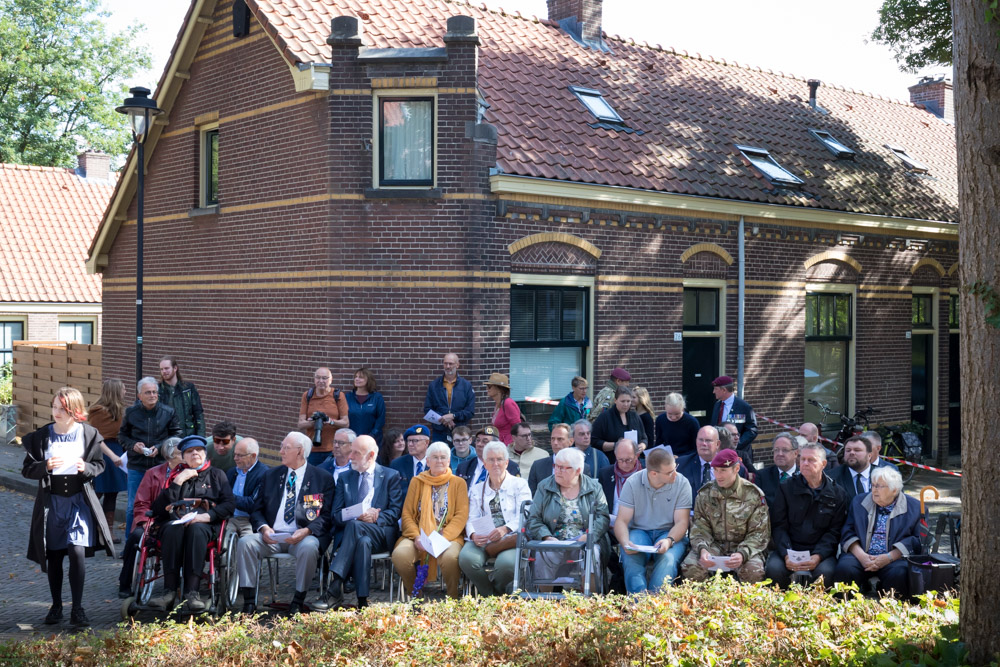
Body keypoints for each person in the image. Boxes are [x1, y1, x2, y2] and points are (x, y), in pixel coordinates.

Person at [22, 387, 115, 628]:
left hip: (79, 501)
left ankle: (78, 608)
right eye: (54, 407)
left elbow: (99, 465)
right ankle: (56, 606)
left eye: (62, 408)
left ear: (74, 410)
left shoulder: (88, 434)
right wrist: (45, 466)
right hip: (52, 503)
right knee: (54, 556)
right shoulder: (42, 436)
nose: (57, 412)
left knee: (77, 551)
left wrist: (85, 467)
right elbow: (27, 469)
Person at [236, 432, 334, 615]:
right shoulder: (271, 476)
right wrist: (264, 528)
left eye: (285, 448)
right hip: (271, 536)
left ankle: (298, 600)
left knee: (310, 547)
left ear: (300, 451)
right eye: (281, 447)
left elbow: (326, 516)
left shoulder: (322, 478)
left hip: (302, 536)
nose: (280, 451)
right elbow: (257, 509)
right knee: (245, 543)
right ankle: (249, 602)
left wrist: (306, 531)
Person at [148, 435, 235, 612]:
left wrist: (208, 516)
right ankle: (169, 592)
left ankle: (192, 593)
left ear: (205, 453)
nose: (195, 453)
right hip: (176, 521)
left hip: (204, 524)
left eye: (198, 449)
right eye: (189, 451)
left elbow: (229, 504)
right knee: (173, 530)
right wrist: (178, 481)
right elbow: (158, 509)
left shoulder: (217, 475)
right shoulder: (175, 475)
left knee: (196, 529)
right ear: (184, 457)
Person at [326, 435, 403, 609]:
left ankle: (336, 583)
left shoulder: (390, 476)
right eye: (351, 451)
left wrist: (375, 517)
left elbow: (395, 511)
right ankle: (362, 602)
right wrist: (355, 515)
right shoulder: (345, 478)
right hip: (354, 535)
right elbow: (336, 515)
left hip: (380, 533)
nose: (350, 456)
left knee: (357, 528)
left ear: (371, 455)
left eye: (356, 453)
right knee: (362, 541)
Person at [391, 441, 469, 599]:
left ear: (449, 461)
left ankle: (452, 597)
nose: (439, 461)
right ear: (427, 461)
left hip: (448, 536)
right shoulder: (417, 481)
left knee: (450, 558)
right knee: (400, 555)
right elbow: (407, 514)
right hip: (419, 535)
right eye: (435, 457)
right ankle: (416, 594)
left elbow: (461, 515)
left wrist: (442, 537)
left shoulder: (458, 483)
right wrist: (417, 537)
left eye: (443, 457)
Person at [766, 442, 848, 588]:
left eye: (811, 460)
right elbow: (779, 526)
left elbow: (834, 532)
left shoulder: (837, 494)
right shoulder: (786, 487)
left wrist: (818, 556)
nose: (805, 463)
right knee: (774, 569)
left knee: (825, 574)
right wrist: (786, 554)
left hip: (820, 552)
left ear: (823, 464)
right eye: (802, 459)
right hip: (789, 548)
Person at [680, 449, 770, 583]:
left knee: (753, 572)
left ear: (736, 469)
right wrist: (703, 549)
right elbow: (699, 528)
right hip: (713, 545)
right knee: (691, 567)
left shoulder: (753, 495)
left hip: (743, 547)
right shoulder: (705, 494)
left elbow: (759, 533)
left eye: (723, 470)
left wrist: (742, 554)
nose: (718, 475)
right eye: (715, 470)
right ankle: (705, 601)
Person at [526, 447, 610, 587]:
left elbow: (603, 517)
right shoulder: (544, 486)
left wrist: (590, 535)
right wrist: (547, 537)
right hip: (553, 539)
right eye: (556, 466)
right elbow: (534, 519)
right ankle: (545, 603)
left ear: (578, 470)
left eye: (564, 468)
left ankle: (589, 603)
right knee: (543, 554)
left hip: (584, 539)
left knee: (591, 553)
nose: (558, 471)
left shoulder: (594, 487)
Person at [835, 466, 922, 598]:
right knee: (845, 568)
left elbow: (916, 540)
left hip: (894, 558)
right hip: (861, 555)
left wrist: (889, 557)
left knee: (899, 573)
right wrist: (862, 556)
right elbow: (847, 530)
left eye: (880, 486)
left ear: (894, 490)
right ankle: (844, 609)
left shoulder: (915, 507)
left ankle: (892, 610)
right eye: (873, 485)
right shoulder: (859, 501)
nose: (874, 490)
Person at [460, 441, 532, 596]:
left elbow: (526, 514)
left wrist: (505, 528)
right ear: (485, 464)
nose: (495, 463)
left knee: (506, 565)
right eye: (491, 460)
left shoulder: (520, 485)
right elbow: (471, 516)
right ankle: (489, 594)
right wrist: (473, 534)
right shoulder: (477, 489)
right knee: (467, 559)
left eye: (499, 459)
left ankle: (498, 593)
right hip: (484, 538)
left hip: (510, 538)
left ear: (506, 462)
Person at [614, 448, 692, 593]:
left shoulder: (682, 483)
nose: (675, 474)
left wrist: (669, 540)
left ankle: (656, 604)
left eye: (675, 469)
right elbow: (622, 521)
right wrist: (625, 543)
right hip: (640, 530)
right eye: (669, 472)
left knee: (667, 559)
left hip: (669, 532)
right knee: (631, 558)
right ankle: (638, 605)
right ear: (653, 473)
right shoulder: (633, 483)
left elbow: (682, 522)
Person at [117, 437, 181, 598]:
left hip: (178, 522)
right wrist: (145, 522)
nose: (188, 455)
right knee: (136, 537)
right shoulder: (153, 474)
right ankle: (125, 583)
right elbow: (141, 503)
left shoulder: (190, 473)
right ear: (170, 456)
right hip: (154, 520)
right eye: (182, 453)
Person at [118, 376, 182, 534]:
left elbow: (177, 435)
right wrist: (134, 446)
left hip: (160, 465)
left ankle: (155, 538)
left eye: (155, 392)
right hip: (137, 465)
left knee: (161, 502)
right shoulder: (131, 413)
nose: (152, 395)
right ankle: (131, 543)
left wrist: (160, 447)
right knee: (133, 506)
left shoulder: (168, 412)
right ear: (139, 395)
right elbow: (122, 436)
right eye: (148, 392)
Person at [87, 378, 127, 544]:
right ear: (116, 391)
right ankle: (89, 529)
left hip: (117, 451)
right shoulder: (99, 412)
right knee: (96, 493)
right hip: (104, 454)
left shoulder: (120, 411)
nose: (125, 392)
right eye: (123, 389)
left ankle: (107, 532)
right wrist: (112, 456)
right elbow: (97, 439)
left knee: (112, 494)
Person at [298, 367, 350, 466]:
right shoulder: (307, 395)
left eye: (324, 378)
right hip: (312, 448)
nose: (321, 381)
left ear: (331, 380)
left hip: (333, 449)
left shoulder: (338, 396)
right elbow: (300, 424)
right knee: (312, 479)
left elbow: (346, 423)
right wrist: (313, 421)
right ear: (314, 379)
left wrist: (330, 421)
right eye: (318, 377)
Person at [423, 353, 476, 444]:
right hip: (439, 432)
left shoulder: (466, 386)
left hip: (460, 432)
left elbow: (470, 411)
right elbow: (427, 409)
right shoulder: (434, 385)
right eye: (445, 363)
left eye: (450, 364)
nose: (447, 366)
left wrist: (453, 416)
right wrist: (444, 419)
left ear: (457, 365)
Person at [591, 386, 647, 466]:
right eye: (623, 401)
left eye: (628, 401)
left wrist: (642, 445)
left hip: (634, 463)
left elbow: (644, 438)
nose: (626, 404)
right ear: (615, 400)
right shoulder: (605, 417)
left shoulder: (634, 416)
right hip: (612, 463)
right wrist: (616, 445)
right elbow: (595, 441)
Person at [226, 438, 269, 539]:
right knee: (224, 542)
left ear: (253, 455)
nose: (235, 458)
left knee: (246, 543)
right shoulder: (232, 472)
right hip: (230, 518)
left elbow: (252, 504)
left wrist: (228, 497)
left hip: (250, 520)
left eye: (240, 455)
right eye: (235, 454)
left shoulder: (265, 474)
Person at [708, 376, 757, 462]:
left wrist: (736, 444)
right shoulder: (717, 405)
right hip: (719, 452)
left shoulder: (743, 407)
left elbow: (752, 430)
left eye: (715, 389)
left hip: (738, 454)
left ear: (724, 390)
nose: (713, 392)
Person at [158, 355, 205, 437]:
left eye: (166, 368)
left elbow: (198, 413)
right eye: (161, 369)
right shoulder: (157, 390)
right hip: (166, 438)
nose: (164, 371)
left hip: (187, 435)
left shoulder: (188, 388)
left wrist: (200, 437)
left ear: (175, 368)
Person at [598, 438, 644, 518]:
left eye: (628, 460)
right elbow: (600, 506)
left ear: (637, 456)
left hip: (639, 523)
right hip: (611, 523)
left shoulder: (645, 473)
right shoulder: (605, 474)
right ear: (616, 456)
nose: (624, 464)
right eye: (620, 460)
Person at [754, 432, 799, 506]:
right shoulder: (762, 476)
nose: (780, 454)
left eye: (785, 450)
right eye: (776, 450)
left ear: (795, 453)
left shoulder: (804, 476)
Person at [528, 422, 573, 495]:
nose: (555, 443)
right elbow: (532, 497)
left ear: (571, 441)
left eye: (560, 439)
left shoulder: (580, 467)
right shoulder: (538, 466)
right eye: (553, 439)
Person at [346, 367, 386, 448]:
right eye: (356, 377)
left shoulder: (377, 398)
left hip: (372, 440)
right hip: (352, 441)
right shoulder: (347, 397)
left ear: (368, 380)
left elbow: (380, 420)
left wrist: (371, 436)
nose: (357, 379)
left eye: (360, 377)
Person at [653, 392, 700, 458]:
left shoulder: (692, 422)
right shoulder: (660, 420)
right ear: (665, 408)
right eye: (670, 414)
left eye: (677, 414)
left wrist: (680, 457)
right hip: (667, 458)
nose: (673, 417)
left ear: (683, 409)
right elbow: (659, 442)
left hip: (687, 458)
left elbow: (697, 448)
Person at [390, 424, 432, 492]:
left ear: (426, 442)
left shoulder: (437, 463)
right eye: (409, 441)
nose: (410, 444)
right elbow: (393, 493)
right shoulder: (397, 464)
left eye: (415, 441)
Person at [832, 436, 874, 501]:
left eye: (857, 450)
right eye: (848, 450)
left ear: (869, 456)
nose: (851, 453)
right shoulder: (832, 478)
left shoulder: (883, 476)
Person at [485, 373, 522, 445]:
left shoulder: (508, 403)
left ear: (499, 389)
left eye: (489, 386)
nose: (487, 389)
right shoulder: (498, 404)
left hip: (508, 446)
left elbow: (518, 427)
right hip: (500, 444)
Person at [632, 387, 656, 452]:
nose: (631, 399)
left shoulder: (647, 417)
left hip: (643, 452)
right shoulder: (633, 414)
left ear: (641, 398)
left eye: (634, 397)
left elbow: (650, 438)